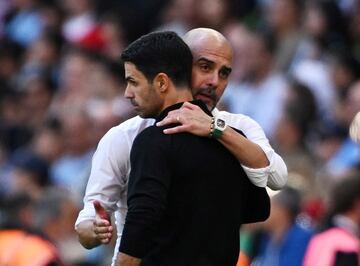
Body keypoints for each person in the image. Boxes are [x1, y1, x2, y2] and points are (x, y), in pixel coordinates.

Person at [75, 28, 288, 265]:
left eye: (224, 73)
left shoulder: (234, 130)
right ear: (181, 66)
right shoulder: (124, 137)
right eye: (205, 67)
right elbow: (92, 218)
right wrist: (93, 229)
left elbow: (276, 178)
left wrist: (215, 129)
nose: (214, 81)